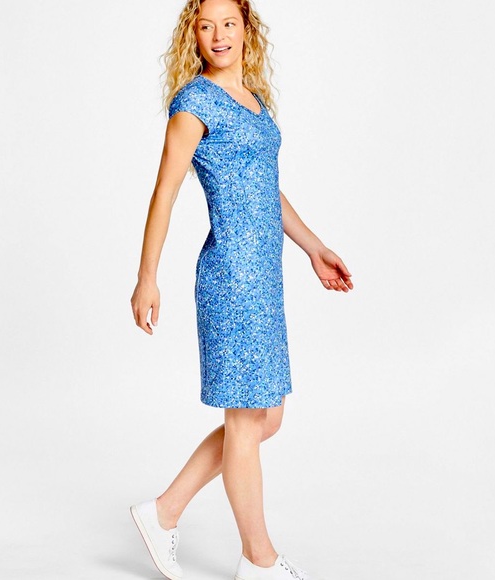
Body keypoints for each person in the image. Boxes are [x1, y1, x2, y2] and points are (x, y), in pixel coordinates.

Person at [129, 0, 353, 578]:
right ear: (194, 36)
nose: (218, 35)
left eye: (229, 23)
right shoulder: (194, 104)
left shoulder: (253, 101)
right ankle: (259, 560)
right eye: (206, 26)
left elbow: (265, 188)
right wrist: (147, 277)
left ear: (247, 29)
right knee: (246, 421)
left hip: (265, 278)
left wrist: (313, 247)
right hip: (231, 277)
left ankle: (162, 512)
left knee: (264, 419)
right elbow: (165, 192)